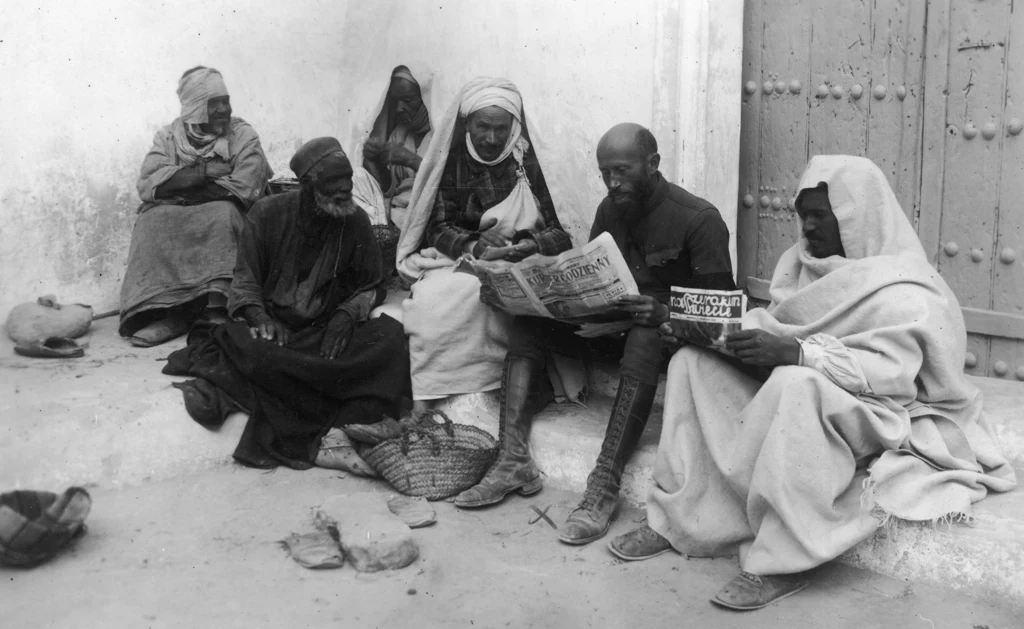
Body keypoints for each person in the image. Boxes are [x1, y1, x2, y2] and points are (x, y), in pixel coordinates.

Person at [607, 155, 1017, 611]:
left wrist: (798, 353)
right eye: (803, 216)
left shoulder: (909, 287)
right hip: (804, 389)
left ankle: (780, 561)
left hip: (880, 410)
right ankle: (684, 519)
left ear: (858, 215)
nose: (808, 229)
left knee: (794, 384)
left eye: (821, 216)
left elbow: (893, 378)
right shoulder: (799, 264)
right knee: (690, 363)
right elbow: (782, 325)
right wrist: (712, 332)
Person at [454, 123, 736, 548]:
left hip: (667, 343)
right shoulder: (610, 209)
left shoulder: (700, 219)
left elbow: (720, 318)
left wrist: (664, 313)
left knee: (645, 334)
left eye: (621, 170)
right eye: (605, 173)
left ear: (653, 164)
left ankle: (603, 485)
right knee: (529, 323)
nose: (612, 182)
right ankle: (511, 459)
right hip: (611, 329)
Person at [163, 138, 410, 473]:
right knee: (248, 347)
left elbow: (372, 285)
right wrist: (259, 316)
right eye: (332, 182)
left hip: (322, 331)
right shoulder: (267, 214)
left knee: (392, 337)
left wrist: (347, 313)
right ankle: (328, 431)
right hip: (275, 332)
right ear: (307, 185)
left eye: (347, 179)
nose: (343, 189)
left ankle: (341, 428)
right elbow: (245, 281)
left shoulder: (355, 221)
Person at [395, 77, 573, 407]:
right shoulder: (452, 160)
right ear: (467, 122)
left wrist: (530, 243)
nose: (491, 138)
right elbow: (436, 226)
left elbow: (562, 230)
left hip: (520, 259)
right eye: (483, 126)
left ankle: (495, 383)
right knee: (439, 297)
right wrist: (474, 245)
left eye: (501, 129)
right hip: (463, 256)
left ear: (514, 126)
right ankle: (439, 389)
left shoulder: (529, 162)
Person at [120, 66, 273, 346]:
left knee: (222, 213)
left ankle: (218, 310)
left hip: (232, 210)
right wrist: (202, 173)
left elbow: (243, 187)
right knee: (151, 220)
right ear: (194, 107)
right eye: (214, 103)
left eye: (225, 100)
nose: (224, 109)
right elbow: (148, 186)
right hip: (193, 204)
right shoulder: (168, 138)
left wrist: (180, 185)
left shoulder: (242, 135)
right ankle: (170, 312)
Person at [357, 64, 437, 230]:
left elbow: (448, 187)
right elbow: (392, 189)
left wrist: (410, 159)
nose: (400, 108)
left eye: (407, 100)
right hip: (399, 210)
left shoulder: (443, 136)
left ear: (425, 98)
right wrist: (376, 163)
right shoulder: (399, 134)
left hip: (433, 212)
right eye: (396, 102)